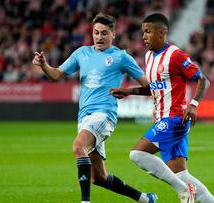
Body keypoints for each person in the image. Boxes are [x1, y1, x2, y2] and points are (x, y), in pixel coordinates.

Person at [32, 13, 158, 203]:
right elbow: (56, 75)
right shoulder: (81, 53)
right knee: (98, 177)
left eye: (104, 33)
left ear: (113, 34)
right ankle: (145, 199)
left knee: (78, 146)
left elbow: (150, 86)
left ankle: (85, 201)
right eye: (96, 33)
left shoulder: (121, 57)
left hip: (103, 116)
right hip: (84, 118)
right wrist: (44, 65)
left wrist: (128, 91)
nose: (99, 37)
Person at [111, 13, 214, 203]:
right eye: (142, 32)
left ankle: (184, 192)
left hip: (175, 118)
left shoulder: (176, 55)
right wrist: (129, 91)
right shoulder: (149, 56)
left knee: (137, 154)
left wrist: (193, 105)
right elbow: (154, 88)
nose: (143, 36)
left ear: (162, 32)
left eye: (148, 32)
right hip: (163, 119)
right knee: (181, 175)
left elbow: (203, 80)